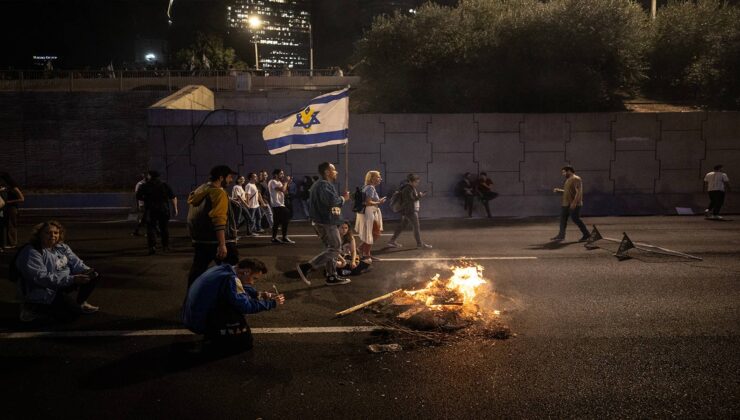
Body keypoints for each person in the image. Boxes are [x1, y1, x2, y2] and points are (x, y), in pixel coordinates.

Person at [183, 258, 284, 351]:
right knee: (236, 310)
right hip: (199, 322)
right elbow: (246, 306)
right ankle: (217, 337)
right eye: (254, 278)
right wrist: (272, 303)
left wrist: (259, 294)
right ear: (246, 272)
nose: (253, 282)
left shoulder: (224, 268)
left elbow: (237, 287)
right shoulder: (231, 279)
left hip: (191, 315)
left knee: (234, 299)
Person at [14, 221, 100, 322]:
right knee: (70, 316)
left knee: (94, 275)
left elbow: (77, 263)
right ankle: (31, 307)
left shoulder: (62, 247)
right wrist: (73, 279)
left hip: (61, 283)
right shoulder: (32, 252)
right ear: (39, 234)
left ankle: (80, 302)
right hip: (42, 289)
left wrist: (87, 271)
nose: (53, 235)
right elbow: (41, 278)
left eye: (56, 233)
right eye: (48, 233)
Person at [295, 162, 352, 286]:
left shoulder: (321, 185)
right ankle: (307, 266)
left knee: (331, 248)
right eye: (334, 170)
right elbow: (332, 202)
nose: (336, 172)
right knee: (336, 248)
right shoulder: (323, 185)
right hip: (326, 222)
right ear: (327, 172)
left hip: (324, 221)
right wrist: (343, 198)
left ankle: (332, 276)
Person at [186, 165, 240, 289]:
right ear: (221, 178)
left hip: (201, 241)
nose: (231, 180)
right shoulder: (218, 193)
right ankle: (236, 300)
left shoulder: (201, 190)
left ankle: (191, 298)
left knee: (197, 271)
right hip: (219, 240)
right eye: (229, 177)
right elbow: (219, 219)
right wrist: (222, 244)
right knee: (233, 271)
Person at [136, 170, 178, 255]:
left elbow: (138, 196)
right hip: (163, 209)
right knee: (164, 228)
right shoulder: (164, 185)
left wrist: (146, 199)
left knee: (151, 228)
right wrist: (175, 208)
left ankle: (152, 247)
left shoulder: (145, 186)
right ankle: (165, 246)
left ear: (150, 176)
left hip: (151, 209)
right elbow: (173, 197)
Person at [387, 174, 432, 249]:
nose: (417, 184)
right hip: (410, 210)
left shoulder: (409, 188)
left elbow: (410, 199)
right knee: (416, 227)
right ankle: (420, 244)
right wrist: (419, 196)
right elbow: (409, 201)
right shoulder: (408, 189)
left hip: (407, 210)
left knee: (402, 226)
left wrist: (418, 196)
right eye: (416, 182)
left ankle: (392, 241)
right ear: (411, 181)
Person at [551, 165, 590, 242]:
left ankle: (587, 235)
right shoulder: (568, 180)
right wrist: (559, 191)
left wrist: (574, 203)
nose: (563, 174)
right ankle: (561, 235)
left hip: (574, 204)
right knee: (563, 220)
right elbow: (568, 192)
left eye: (564, 172)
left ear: (569, 171)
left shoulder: (576, 179)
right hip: (566, 204)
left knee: (576, 219)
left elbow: (579, 192)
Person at [355, 170, 385, 260]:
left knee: (372, 233)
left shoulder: (367, 187)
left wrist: (378, 201)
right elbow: (368, 202)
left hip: (368, 212)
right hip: (369, 212)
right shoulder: (370, 188)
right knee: (375, 233)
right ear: (372, 178)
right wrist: (379, 201)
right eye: (378, 177)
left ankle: (361, 250)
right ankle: (365, 253)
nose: (380, 178)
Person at [268, 169, 294, 244]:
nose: (283, 175)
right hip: (277, 204)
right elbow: (282, 189)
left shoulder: (279, 182)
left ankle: (274, 238)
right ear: (276, 175)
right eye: (281, 174)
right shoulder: (272, 182)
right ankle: (284, 237)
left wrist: (288, 183)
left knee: (276, 222)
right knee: (286, 217)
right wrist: (286, 182)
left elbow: (285, 192)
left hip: (280, 204)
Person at [0, 172, 24, 248]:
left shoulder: (14, 187)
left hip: (12, 208)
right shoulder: (7, 187)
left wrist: (8, 202)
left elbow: (22, 199)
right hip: (7, 208)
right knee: (7, 225)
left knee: (11, 225)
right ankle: (9, 243)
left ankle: (12, 243)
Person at [132, 172, 148, 236]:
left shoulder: (147, 184)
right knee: (144, 218)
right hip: (142, 204)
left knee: (144, 219)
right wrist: (138, 205)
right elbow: (137, 195)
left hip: (147, 204)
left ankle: (136, 231)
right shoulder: (140, 184)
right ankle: (137, 231)